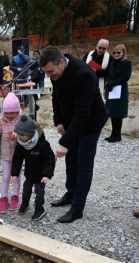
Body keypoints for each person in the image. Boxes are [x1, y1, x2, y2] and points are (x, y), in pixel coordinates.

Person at [40, 45, 108, 224]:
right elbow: (56, 97)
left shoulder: (85, 74)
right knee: (70, 161)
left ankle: (77, 208)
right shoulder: (56, 71)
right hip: (71, 120)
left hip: (90, 123)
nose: (49, 75)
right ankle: (71, 194)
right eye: (46, 72)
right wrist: (58, 121)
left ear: (61, 62)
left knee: (83, 164)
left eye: (51, 71)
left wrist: (65, 142)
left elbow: (83, 113)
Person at [10, 115, 55, 220]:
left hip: (41, 176)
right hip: (29, 174)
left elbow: (50, 160)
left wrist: (47, 175)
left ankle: (39, 208)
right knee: (26, 190)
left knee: (39, 192)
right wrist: (14, 174)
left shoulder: (43, 145)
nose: (19, 137)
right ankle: (25, 204)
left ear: (30, 134)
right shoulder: (21, 144)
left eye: (22, 134)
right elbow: (17, 159)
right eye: (18, 134)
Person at [104, 44, 132, 143]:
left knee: (118, 113)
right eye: (114, 52)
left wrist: (112, 83)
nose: (116, 54)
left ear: (123, 53)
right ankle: (113, 134)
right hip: (111, 90)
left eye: (118, 52)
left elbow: (125, 77)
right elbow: (109, 75)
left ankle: (117, 135)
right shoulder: (112, 63)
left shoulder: (127, 63)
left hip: (120, 91)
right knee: (112, 112)